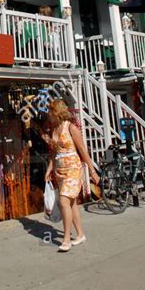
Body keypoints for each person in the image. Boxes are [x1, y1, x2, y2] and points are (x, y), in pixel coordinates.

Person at [39, 99, 99, 252]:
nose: (48, 115)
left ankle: (66, 239)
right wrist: (49, 169)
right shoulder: (54, 129)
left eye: (50, 111)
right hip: (60, 170)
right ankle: (80, 234)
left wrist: (92, 172)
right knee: (71, 204)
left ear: (56, 111)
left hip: (73, 168)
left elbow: (83, 151)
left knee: (64, 201)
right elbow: (54, 153)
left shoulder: (71, 128)